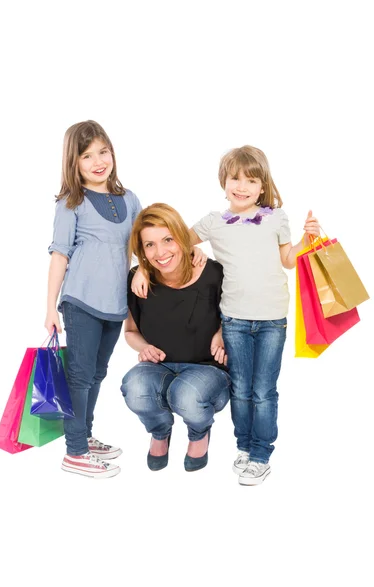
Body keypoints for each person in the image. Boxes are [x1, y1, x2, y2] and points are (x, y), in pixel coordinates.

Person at [132, 146, 320, 485]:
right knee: (242, 388)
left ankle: (261, 453)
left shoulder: (277, 218)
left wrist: (308, 240)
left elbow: (288, 260)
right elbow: (173, 242)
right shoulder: (214, 223)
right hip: (233, 319)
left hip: (271, 319)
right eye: (235, 178)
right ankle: (245, 448)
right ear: (224, 182)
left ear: (263, 185)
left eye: (251, 180)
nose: (243, 186)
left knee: (264, 389)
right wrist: (143, 269)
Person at [45, 120, 143, 479]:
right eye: (87, 156)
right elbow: (59, 255)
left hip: (115, 304)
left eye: (103, 152)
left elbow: (140, 244)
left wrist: (145, 269)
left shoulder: (129, 199)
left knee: (97, 373)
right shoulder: (72, 203)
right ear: (74, 162)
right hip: (81, 300)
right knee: (80, 375)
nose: (98, 161)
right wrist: (50, 307)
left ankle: (84, 435)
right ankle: (75, 451)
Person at [121, 203, 231, 472]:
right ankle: (160, 430)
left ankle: (199, 431)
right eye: (150, 245)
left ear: (182, 238)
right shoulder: (138, 279)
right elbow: (131, 332)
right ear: (142, 250)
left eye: (168, 240)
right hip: (160, 366)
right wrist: (144, 347)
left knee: (185, 396)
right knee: (134, 387)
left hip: (208, 368)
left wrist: (222, 333)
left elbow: (237, 316)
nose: (160, 252)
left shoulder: (214, 273)